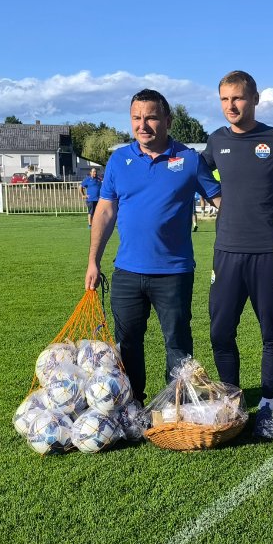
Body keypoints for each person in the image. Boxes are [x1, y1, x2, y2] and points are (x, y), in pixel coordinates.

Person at [86, 89, 221, 402]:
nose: (142, 125)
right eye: (136, 118)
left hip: (174, 272)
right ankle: (133, 405)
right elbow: (105, 212)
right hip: (127, 272)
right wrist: (93, 261)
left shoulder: (189, 159)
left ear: (167, 120)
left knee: (177, 344)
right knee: (127, 344)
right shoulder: (119, 160)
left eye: (151, 117)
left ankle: (175, 406)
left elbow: (221, 201)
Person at [201, 70, 273, 438]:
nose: (231, 105)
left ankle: (266, 404)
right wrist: (215, 196)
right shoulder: (217, 140)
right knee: (220, 331)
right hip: (227, 252)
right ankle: (232, 399)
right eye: (225, 99)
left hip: (268, 252)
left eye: (238, 98)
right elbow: (196, 170)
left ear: (255, 99)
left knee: (271, 332)